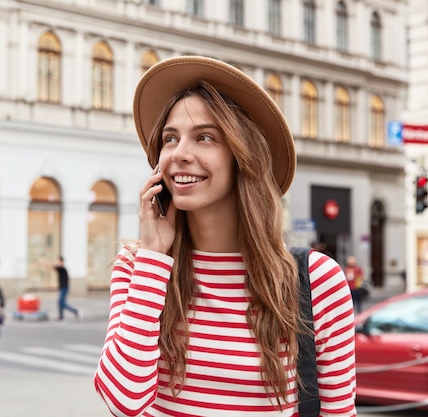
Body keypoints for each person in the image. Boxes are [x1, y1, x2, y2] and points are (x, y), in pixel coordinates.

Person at [94, 56, 356, 416]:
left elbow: (339, 411)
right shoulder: (138, 266)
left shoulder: (315, 281)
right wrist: (155, 257)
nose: (179, 154)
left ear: (242, 156)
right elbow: (122, 401)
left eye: (204, 137)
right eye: (170, 139)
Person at [53, 256, 80, 320]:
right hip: (62, 288)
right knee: (60, 302)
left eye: (59, 261)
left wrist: (44, 262)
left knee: (62, 303)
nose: (58, 263)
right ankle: (61, 316)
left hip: (64, 288)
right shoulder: (61, 269)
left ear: (62, 262)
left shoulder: (63, 269)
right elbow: (54, 268)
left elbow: (53, 267)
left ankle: (75, 311)